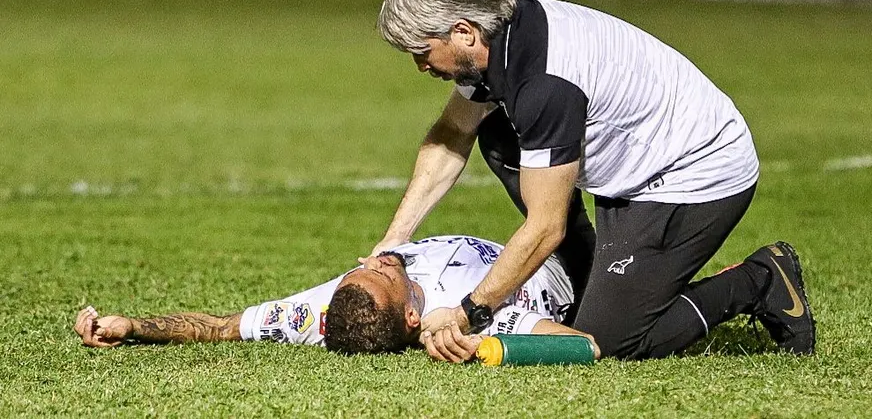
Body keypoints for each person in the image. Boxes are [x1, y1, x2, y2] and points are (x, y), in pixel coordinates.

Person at [372, 0, 816, 362]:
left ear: (463, 32)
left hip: (694, 173)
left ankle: (759, 279)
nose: (420, 65)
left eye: (421, 50)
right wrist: (395, 240)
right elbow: (452, 133)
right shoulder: (499, 35)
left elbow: (545, 227)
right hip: (638, 162)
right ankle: (588, 278)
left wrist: (469, 312)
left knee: (606, 342)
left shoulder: (542, 82)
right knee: (498, 136)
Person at [73, 234, 599, 362]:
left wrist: (135, 327)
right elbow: (583, 345)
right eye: (380, 274)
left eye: (360, 270)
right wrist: (489, 344)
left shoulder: (330, 309)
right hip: (567, 262)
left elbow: (218, 327)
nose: (373, 261)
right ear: (412, 316)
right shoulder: (455, 317)